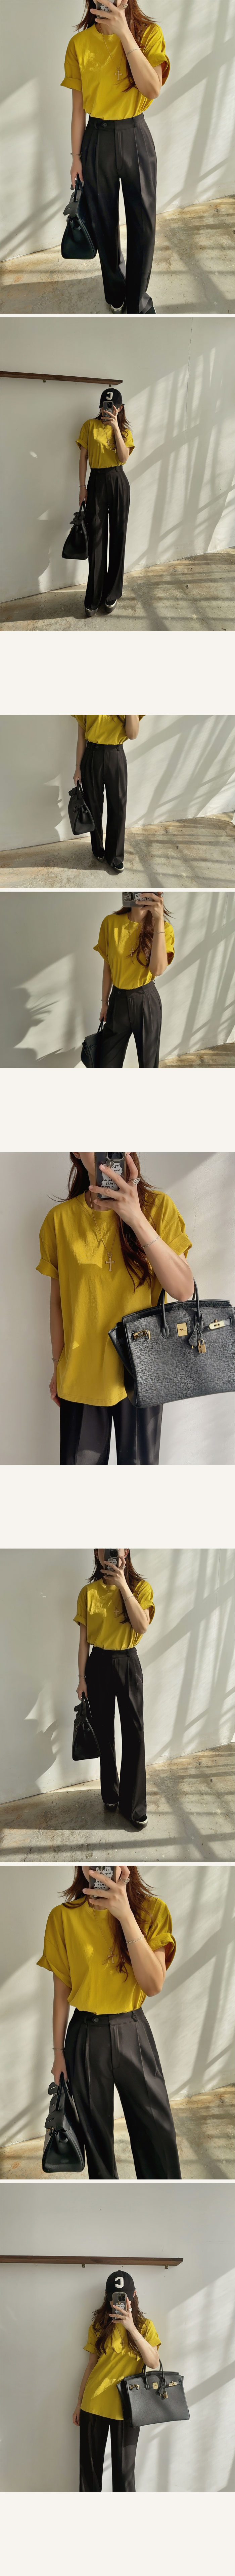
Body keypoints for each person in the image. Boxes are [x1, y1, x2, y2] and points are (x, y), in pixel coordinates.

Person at [37, 1148, 194, 1466]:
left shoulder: (158, 1208)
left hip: (145, 1373)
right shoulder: (59, 1220)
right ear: (76, 1150)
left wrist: (136, 1217)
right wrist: (57, 1364)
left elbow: (184, 1290)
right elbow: (58, 1301)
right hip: (80, 1374)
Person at [38, 1862, 181, 2179]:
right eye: (91, 1859)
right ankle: (109, 2202)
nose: (99, 1867)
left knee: (157, 2133)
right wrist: (58, 2053)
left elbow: (153, 1985)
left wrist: (126, 1915)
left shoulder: (151, 1911)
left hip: (133, 2030)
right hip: (85, 2037)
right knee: (96, 2142)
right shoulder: (62, 1917)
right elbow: (61, 1994)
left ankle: (164, 2200)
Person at [62, 7, 170, 314]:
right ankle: (116, 291)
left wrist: (124, 33)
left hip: (136, 135)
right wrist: (76, 158)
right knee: (103, 224)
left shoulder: (149, 35)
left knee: (143, 225)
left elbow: (153, 89)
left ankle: (137, 302)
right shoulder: (80, 44)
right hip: (97, 139)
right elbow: (78, 110)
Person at [75, 1545, 155, 1824]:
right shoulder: (88, 1593)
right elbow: (84, 1642)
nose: (109, 1549)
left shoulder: (141, 1588)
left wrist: (123, 1585)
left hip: (128, 1663)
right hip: (98, 1665)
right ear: (97, 1553)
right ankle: (111, 1793)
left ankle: (134, 1806)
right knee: (104, 1732)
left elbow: (142, 1626)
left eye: (115, 1544)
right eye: (103, 1545)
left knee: (135, 1733)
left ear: (126, 1551)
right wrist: (82, 1679)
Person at [73, 2266, 161, 2490]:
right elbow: (91, 2366)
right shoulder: (98, 2326)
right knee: (90, 2474)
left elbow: (154, 2363)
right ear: (108, 2296)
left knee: (125, 2475)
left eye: (125, 2296)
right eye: (115, 2297)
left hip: (130, 2407)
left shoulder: (145, 2326)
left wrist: (131, 2328)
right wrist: (79, 2403)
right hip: (95, 2404)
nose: (121, 2302)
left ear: (134, 2295)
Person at [94, 889, 175, 1060]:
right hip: (118, 1000)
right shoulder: (111, 923)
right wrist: (105, 1003)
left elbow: (157, 970)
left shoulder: (165, 928)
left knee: (148, 1062)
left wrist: (158, 920)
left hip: (146, 1001)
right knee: (108, 1062)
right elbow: (108, 966)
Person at [77, 387, 134, 617]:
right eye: (104, 405)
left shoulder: (125, 431)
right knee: (97, 539)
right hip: (97, 482)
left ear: (120, 408)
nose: (107, 409)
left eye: (112, 407)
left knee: (119, 537)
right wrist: (82, 487)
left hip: (118, 481)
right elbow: (83, 457)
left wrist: (116, 428)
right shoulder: (89, 426)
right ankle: (95, 596)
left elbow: (123, 458)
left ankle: (112, 593)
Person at [73, 713, 142, 871]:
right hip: (92, 756)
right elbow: (82, 737)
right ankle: (98, 848)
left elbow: (133, 735)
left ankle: (115, 856)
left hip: (116, 755)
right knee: (93, 807)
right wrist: (78, 768)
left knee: (118, 808)